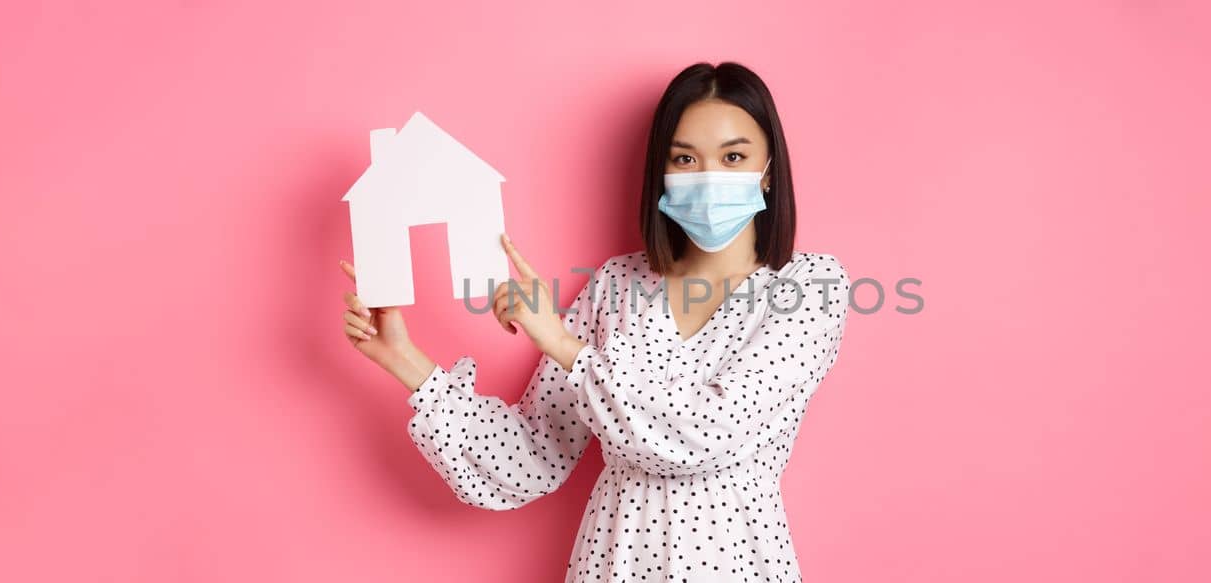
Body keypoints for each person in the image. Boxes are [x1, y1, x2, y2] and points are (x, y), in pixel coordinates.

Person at [338, 61, 850, 582]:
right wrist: (405, 360)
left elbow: (702, 435)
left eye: (733, 156)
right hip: (614, 563)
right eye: (685, 158)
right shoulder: (616, 285)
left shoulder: (808, 287)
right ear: (662, 172)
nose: (709, 177)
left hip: (734, 563)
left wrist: (562, 342)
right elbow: (533, 454)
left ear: (767, 169)